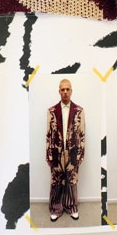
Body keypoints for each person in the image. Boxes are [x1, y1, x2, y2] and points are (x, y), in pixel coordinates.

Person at [46, 78, 85, 221]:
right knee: (56, 181)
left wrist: (81, 154)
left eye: (67, 89)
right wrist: (48, 154)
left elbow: (82, 134)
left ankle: (71, 207)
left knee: (71, 180)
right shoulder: (51, 111)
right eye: (62, 89)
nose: (65, 92)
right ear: (59, 92)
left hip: (73, 152)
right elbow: (48, 134)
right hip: (56, 152)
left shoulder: (79, 111)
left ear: (71, 91)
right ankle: (56, 208)